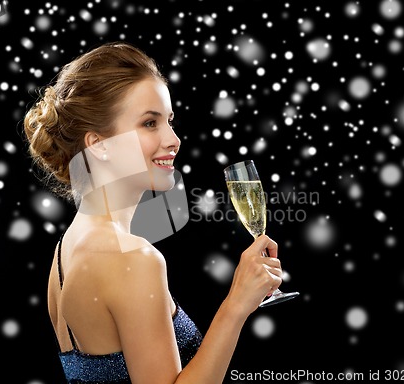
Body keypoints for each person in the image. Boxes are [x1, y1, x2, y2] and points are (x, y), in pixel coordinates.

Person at [23, 41, 283, 384]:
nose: (173, 139)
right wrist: (236, 305)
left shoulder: (67, 250)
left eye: (169, 121)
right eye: (149, 123)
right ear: (98, 145)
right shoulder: (132, 259)